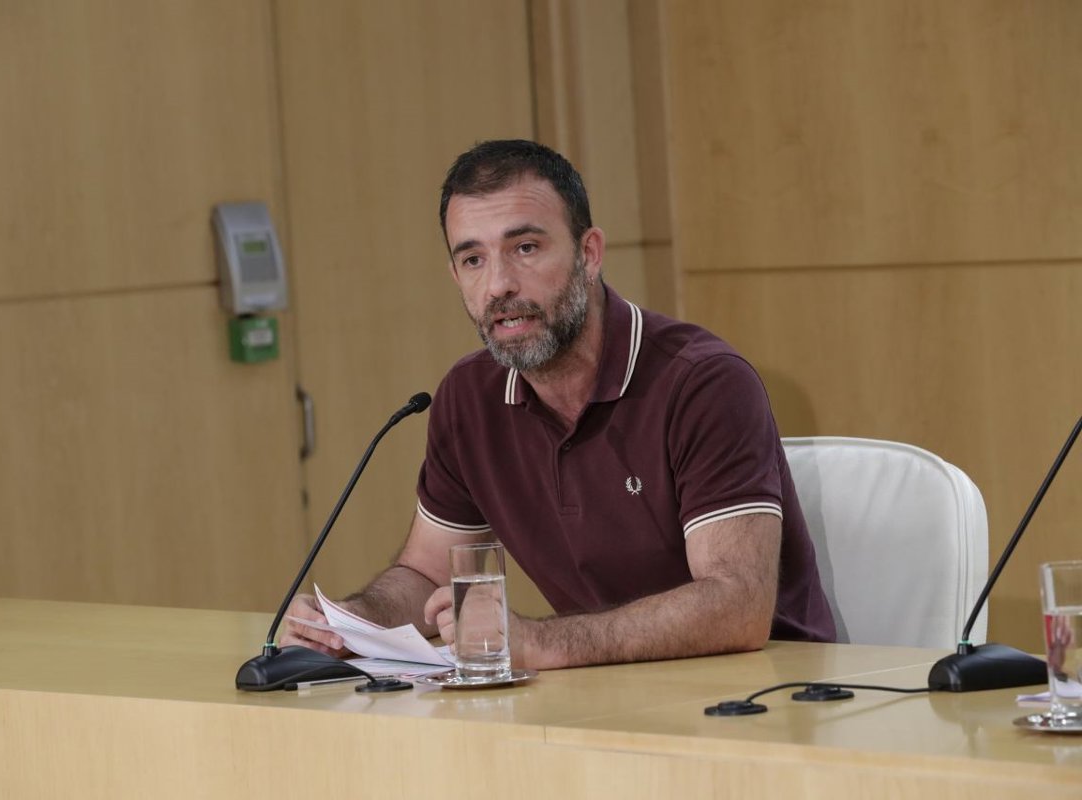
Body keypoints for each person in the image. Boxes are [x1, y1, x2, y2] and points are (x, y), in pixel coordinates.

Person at [283, 139, 835, 670]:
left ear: (588, 254)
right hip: (604, 695)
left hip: (763, 694)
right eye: (473, 259)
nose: (498, 285)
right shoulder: (468, 399)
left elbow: (737, 606)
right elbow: (427, 574)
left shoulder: (702, 382)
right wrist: (351, 623)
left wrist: (542, 642)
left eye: (525, 248)